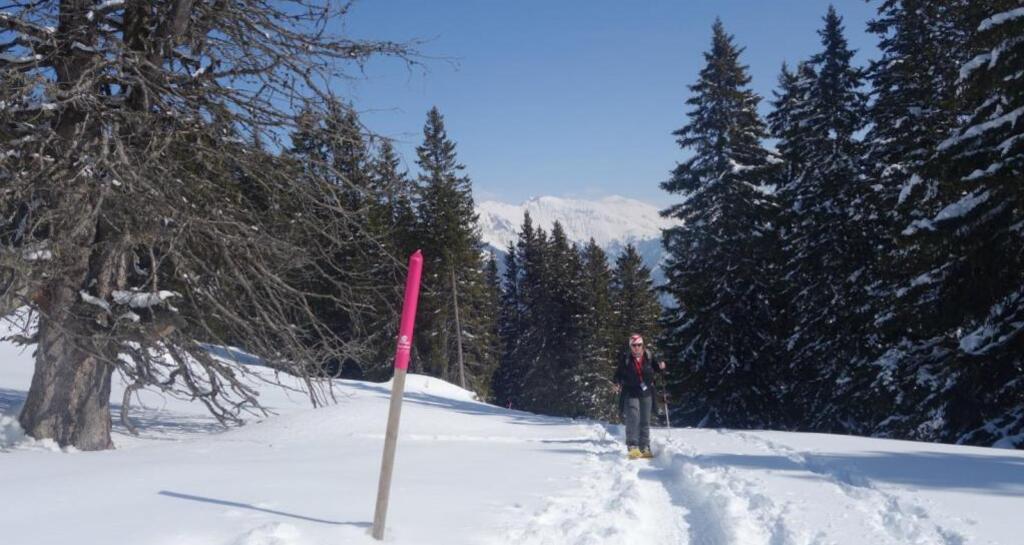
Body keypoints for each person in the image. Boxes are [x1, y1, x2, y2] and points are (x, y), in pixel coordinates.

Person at [613, 334, 666, 459]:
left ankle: (645, 447)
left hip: (646, 392)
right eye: (634, 345)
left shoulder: (649, 356)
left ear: (643, 345)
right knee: (633, 417)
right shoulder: (626, 359)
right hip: (631, 391)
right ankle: (632, 445)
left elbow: (657, 369)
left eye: (639, 345)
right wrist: (616, 383)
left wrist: (661, 367)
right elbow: (618, 374)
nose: (636, 348)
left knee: (645, 420)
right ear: (630, 346)